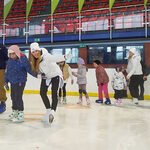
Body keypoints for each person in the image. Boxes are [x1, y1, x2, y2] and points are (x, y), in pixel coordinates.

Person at [29, 42, 72, 124]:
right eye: (33, 52)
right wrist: (39, 75)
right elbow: (37, 70)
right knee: (42, 93)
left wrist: (65, 57)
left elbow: (55, 58)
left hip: (55, 74)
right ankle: (48, 111)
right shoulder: (34, 60)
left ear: (39, 50)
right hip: (46, 76)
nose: (35, 53)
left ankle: (53, 112)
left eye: (36, 51)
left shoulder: (46, 56)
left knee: (54, 92)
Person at [5, 45, 37, 122]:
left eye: (13, 53)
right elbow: (8, 72)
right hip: (12, 81)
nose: (12, 55)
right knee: (13, 96)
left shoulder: (23, 60)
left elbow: (29, 70)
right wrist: (6, 81)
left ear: (17, 53)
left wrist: (37, 75)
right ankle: (15, 111)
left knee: (18, 97)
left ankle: (21, 112)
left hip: (20, 81)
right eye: (10, 54)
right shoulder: (10, 61)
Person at [0, 45, 8, 114]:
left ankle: (2, 102)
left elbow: (6, 58)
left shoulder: (2, 48)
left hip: (1, 69)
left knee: (0, 86)